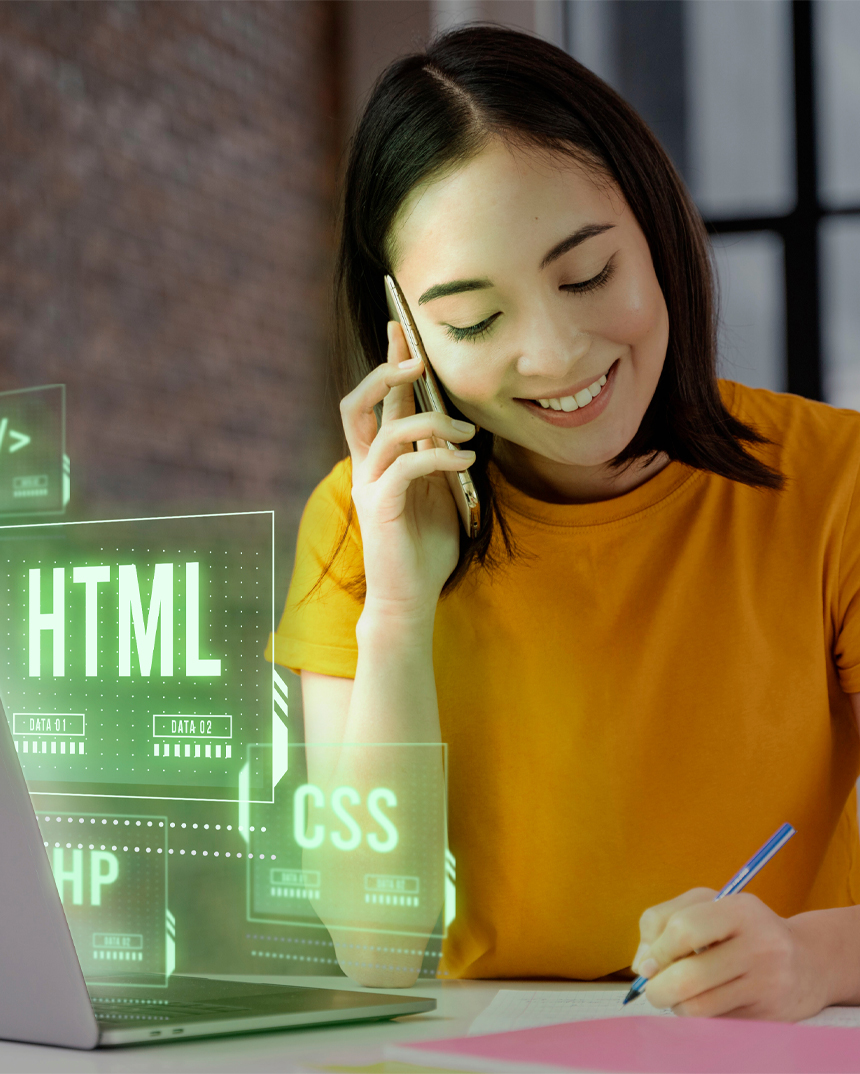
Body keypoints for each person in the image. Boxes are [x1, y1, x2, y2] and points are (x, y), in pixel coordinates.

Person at [269, 24, 860, 1019]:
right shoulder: (357, 521)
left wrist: (810, 960)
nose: (554, 356)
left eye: (587, 276)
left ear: (659, 229)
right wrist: (399, 612)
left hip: (759, 1039)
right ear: (404, 334)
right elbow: (374, 947)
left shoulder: (837, 484)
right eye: (471, 322)